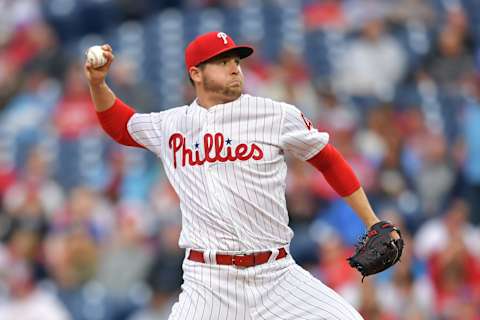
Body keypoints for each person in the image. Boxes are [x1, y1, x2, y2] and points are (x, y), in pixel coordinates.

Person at [84, 31, 399, 320]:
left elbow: (329, 161)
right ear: (196, 73)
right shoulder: (171, 124)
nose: (235, 68)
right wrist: (98, 84)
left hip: (276, 275)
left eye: (236, 61)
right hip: (208, 282)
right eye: (222, 62)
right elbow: (120, 125)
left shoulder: (275, 115)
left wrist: (372, 221)